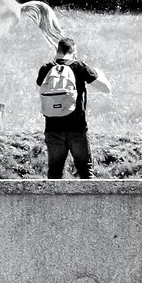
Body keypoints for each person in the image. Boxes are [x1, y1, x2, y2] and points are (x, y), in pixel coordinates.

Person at [35, 35, 110, 180]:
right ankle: (88, 196)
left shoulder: (46, 68)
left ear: (57, 51)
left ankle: (54, 196)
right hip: (77, 128)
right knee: (85, 172)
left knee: (54, 173)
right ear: (74, 51)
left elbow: (39, 90)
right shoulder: (79, 66)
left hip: (52, 129)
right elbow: (106, 88)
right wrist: (99, 74)